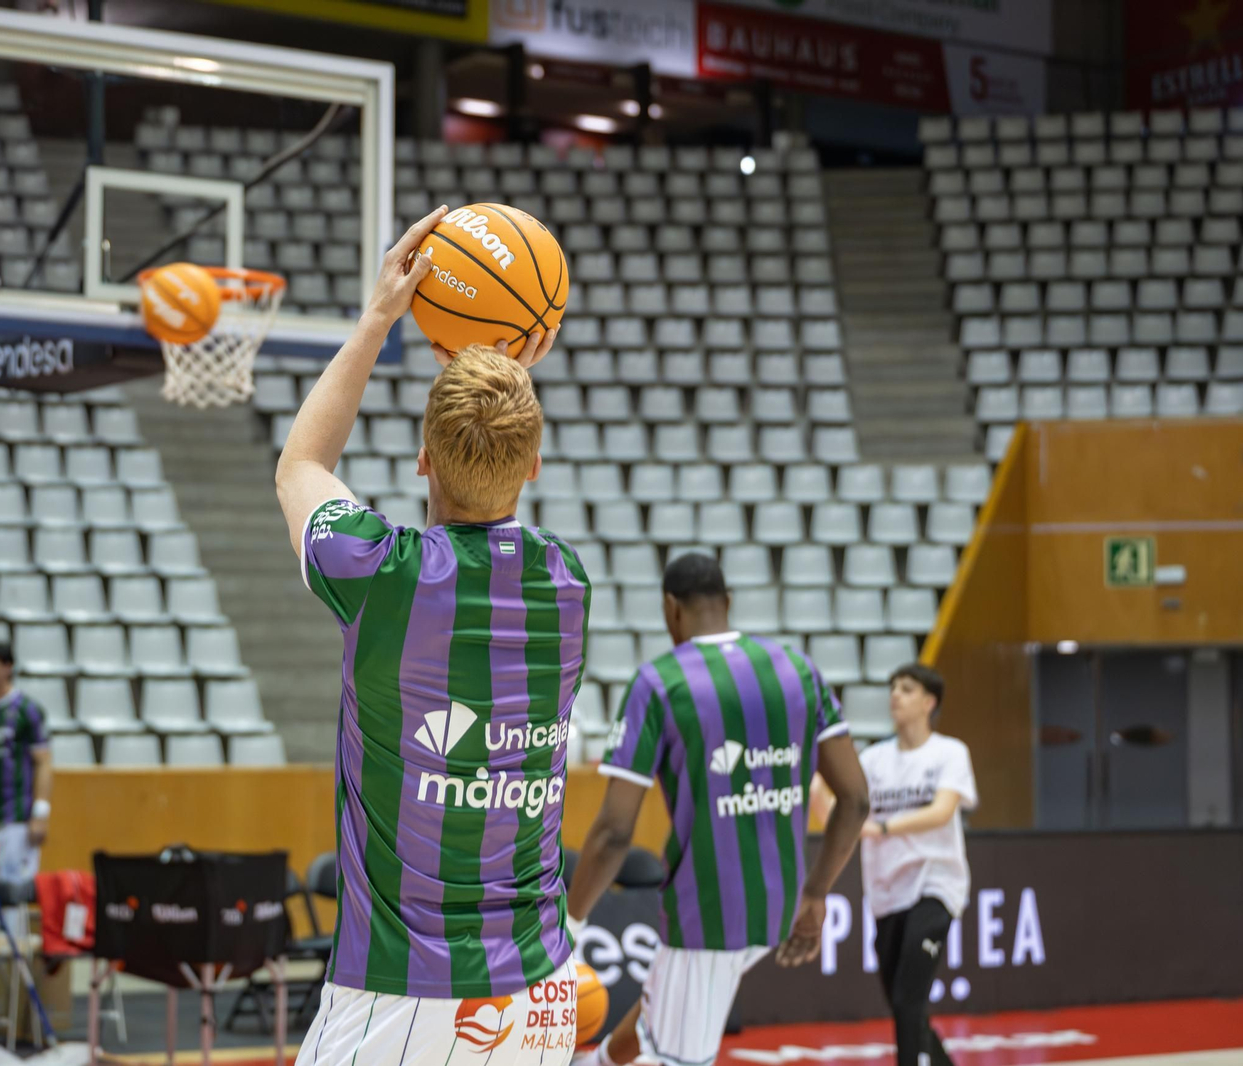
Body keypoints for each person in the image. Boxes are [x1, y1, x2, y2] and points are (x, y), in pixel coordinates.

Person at [276, 206, 585, 1065]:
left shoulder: (380, 576)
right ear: (534, 463)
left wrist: (382, 314)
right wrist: (506, 370)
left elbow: (302, 464)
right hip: (541, 991)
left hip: (404, 994)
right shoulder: (567, 583)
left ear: (422, 460)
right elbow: (496, 448)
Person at [566, 552, 871, 1066]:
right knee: (666, 1003)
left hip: (707, 916)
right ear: (727, 601)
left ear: (670, 608)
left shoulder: (660, 682)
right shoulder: (798, 669)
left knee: (677, 1042)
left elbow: (614, 832)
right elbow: (857, 799)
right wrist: (816, 893)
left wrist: (571, 924)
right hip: (779, 905)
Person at [852, 664, 976, 1066]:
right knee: (903, 1003)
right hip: (887, 891)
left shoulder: (949, 752)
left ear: (929, 702)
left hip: (936, 884)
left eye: (906, 689)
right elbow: (845, 810)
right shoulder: (872, 759)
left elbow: (942, 811)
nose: (895, 695)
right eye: (892, 688)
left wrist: (884, 827)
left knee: (908, 999)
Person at [0, 641, 53, 887]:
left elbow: (43, 763)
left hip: (18, 821)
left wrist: (40, 815)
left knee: (16, 894)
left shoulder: (28, 711)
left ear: (8, 667)